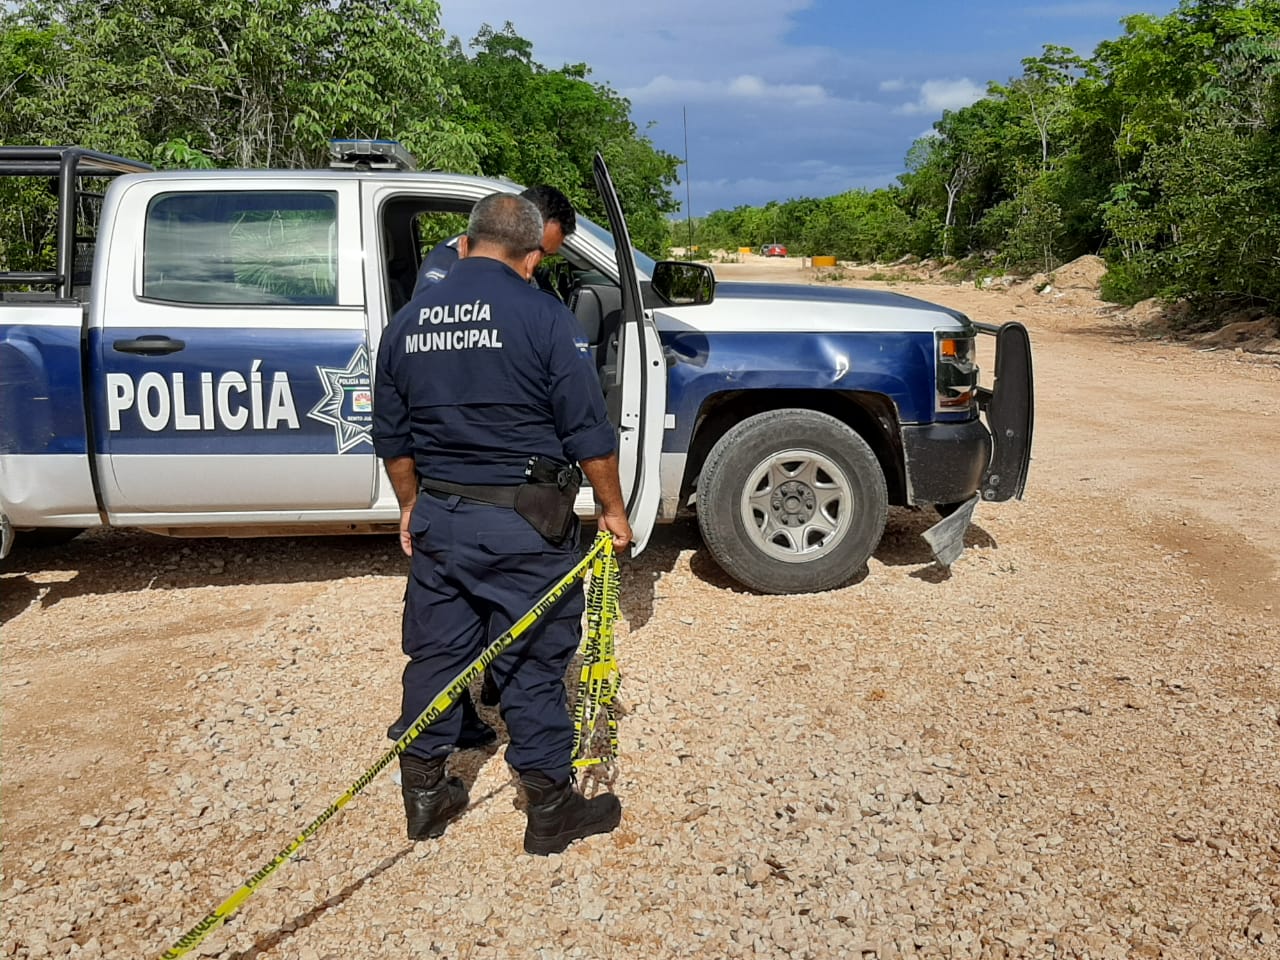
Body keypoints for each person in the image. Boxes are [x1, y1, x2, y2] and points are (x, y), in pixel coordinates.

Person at [373, 192, 632, 856]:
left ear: (464, 244)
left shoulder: (408, 322)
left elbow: (393, 442)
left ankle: (425, 797)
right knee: (533, 662)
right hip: (524, 522)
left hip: (440, 517)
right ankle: (550, 812)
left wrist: (410, 506)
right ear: (528, 256)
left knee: (436, 655)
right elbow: (588, 434)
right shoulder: (542, 316)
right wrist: (612, 509)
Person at [413, 184, 576, 296]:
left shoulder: (532, 275)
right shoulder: (447, 261)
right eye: (537, 248)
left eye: (546, 255)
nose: (537, 261)